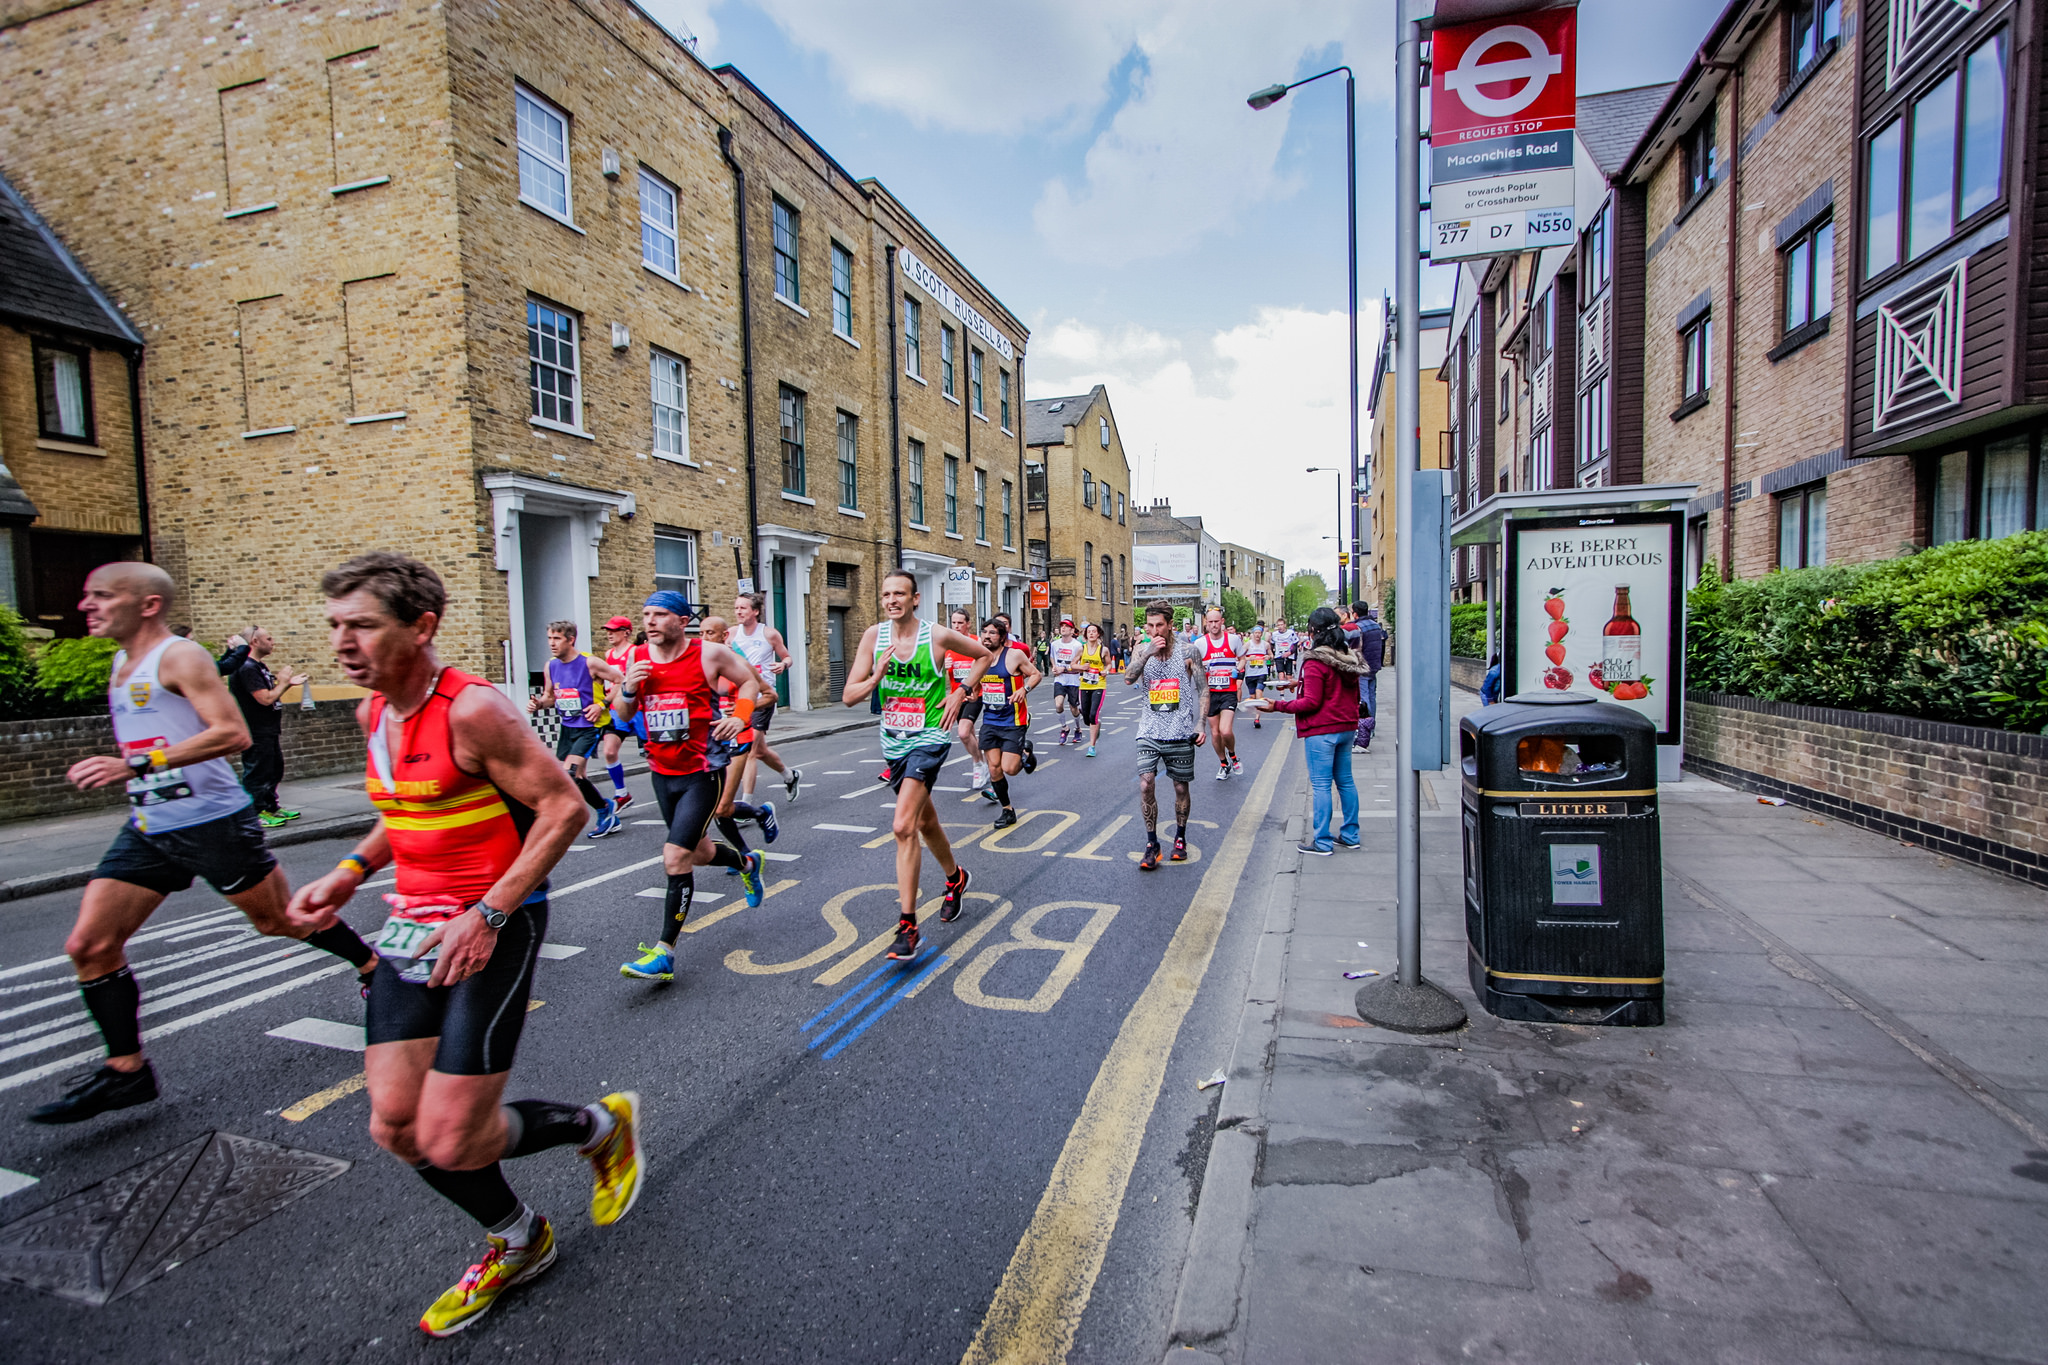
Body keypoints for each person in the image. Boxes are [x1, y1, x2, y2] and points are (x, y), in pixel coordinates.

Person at [284, 552, 641, 1337]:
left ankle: (598, 1128)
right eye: (335, 625)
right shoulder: (371, 712)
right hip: (411, 927)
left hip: (494, 924)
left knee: (453, 1135)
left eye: (362, 625)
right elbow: (409, 807)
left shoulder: (472, 709)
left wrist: (485, 912)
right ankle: (519, 1237)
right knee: (397, 1127)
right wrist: (349, 871)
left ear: (422, 626)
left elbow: (561, 809)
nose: (342, 641)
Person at [28, 564, 379, 1125]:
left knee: (277, 921)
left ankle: (370, 967)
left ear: (146, 604)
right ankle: (127, 1070)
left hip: (212, 822)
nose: (85, 606)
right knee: (90, 947)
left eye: (101, 596)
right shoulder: (123, 660)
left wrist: (135, 764)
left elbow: (232, 734)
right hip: (150, 825)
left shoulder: (179, 657)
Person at [609, 593, 765, 982]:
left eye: (660, 614)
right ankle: (747, 862)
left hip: (703, 770)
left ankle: (664, 953)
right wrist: (627, 691)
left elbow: (751, 683)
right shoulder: (637, 657)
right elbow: (624, 716)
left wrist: (740, 717)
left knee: (675, 857)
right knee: (699, 851)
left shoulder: (709, 654)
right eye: (645, 614)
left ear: (682, 619)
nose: (650, 621)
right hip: (661, 772)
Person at [842, 571, 988, 962]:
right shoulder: (874, 638)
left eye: (900, 594)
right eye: (886, 593)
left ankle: (908, 925)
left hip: (930, 737)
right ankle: (956, 878)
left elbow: (984, 656)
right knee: (925, 823)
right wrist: (875, 678)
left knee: (902, 825)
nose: (892, 600)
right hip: (894, 741)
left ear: (915, 599)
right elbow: (848, 697)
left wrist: (960, 691)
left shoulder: (937, 636)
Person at [1259, 606, 1362, 855]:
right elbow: (1341, 689)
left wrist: (1277, 706)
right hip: (1346, 726)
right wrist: (1301, 682)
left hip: (1322, 730)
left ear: (1313, 630)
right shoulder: (1347, 655)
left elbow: (1311, 702)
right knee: (1346, 782)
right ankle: (1351, 835)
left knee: (1322, 785)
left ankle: (1323, 842)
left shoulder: (1315, 660)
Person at [1126, 599, 1207, 870]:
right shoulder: (1142, 648)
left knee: (1180, 787)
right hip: (1149, 729)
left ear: (1170, 625)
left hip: (1181, 730)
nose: (1154, 631)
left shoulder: (1189, 650)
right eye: (1150, 626)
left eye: (1159, 625)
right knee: (1146, 784)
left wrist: (1201, 725)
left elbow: (1203, 689)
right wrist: (1147, 652)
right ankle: (1152, 843)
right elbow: (1128, 677)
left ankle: (1180, 838)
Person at [527, 621, 624, 840]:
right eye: (550, 638)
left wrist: (602, 705)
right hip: (568, 727)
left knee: (568, 773)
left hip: (590, 726)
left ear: (571, 640)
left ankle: (564, 819)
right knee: (578, 776)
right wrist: (539, 704)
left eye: (557, 639)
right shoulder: (550, 665)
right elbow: (550, 696)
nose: (552, 643)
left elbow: (620, 680)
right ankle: (605, 809)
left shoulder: (590, 663)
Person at [699, 616, 778, 863]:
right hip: (709, 741)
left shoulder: (739, 663)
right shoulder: (700, 664)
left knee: (722, 807)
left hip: (737, 739)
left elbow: (770, 695)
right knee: (716, 808)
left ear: (724, 636)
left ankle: (745, 850)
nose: (704, 639)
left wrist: (743, 708)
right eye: (701, 633)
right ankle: (758, 820)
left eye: (710, 633)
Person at [228, 625, 309, 827]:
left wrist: (287, 683)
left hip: (268, 728)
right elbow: (265, 699)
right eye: (269, 638)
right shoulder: (246, 667)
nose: (273, 642)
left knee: (273, 769)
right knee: (257, 772)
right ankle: (255, 812)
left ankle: (271, 806)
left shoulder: (258, 666)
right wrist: (283, 681)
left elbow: (270, 695)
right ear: (255, 642)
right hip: (254, 729)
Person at [729, 593, 802, 805]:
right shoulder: (732, 634)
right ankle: (790, 776)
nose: (738, 612)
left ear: (755, 611)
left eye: (743, 608)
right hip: (740, 697)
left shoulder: (769, 634)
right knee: (760, 750)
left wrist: (783, 665)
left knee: (750, 751)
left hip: (763, 698)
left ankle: (745, 804)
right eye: (736, 608)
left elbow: (787, 657)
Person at [975, 617, 1041, 829]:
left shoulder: (1014, 656)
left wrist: (1024, 689)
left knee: (1010, 769)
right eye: (984, 631)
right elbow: (976, 686)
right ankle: (1007, 810)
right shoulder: (978, 658)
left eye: (992, 632)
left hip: (1013, 720)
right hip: (990, 721)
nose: (987, 636)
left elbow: (1035, 674)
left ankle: (1025, 752)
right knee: (994, 768)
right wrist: (971, 694)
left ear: (1002, 637)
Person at [596, 615, 638, 812]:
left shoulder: (635, 652)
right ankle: (622, 794)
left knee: (656, 752)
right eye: (607, 630)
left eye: (614, 630)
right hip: (615, 708)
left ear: (626, 632)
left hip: (638, 709)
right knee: (609, 751)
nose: (609, 634)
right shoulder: (608, 655)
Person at [1197, 606, 1245, 779]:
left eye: (1216, 621)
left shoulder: (1233, 640)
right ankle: (1224, 763)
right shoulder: (1200, 643)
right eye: (1210, 622)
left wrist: (1237, 670)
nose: (1214, 625)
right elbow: (1195, 667)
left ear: (1222, 622)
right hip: (1210, 694)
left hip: (1228, 691)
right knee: (1215, 732)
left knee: (1225, 730)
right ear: (1206, 623)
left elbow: (1242, 659)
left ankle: (1233, 755)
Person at [945, 606, 989, 791]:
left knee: (963, 732)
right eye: (953, 622)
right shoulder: (946, 645)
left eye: (959, 623)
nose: (956, 626)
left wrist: (977, 688)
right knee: (968, 734)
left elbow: (987, 666)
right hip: (956, 696)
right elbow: (936, 673)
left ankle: (978, 765)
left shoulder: (976, 643)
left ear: (968, 624)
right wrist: (942, 666)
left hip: (973, 695)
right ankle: (982, 763)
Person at [1075, 622, 1110, 756]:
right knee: (1087, 718)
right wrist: (1081, 667)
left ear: (1098, 634)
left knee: (1093, 714)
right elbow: (1073, 664)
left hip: (1099, 684)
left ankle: (1091, 747)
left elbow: (1108, 664)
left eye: (1093, 631)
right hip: (1085, 685)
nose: (1091, 633)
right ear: (1085, 635)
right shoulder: (1081, 649)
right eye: (1089, 631)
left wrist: (1106, 671)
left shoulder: (1103, 650)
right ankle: (1097, 724)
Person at [1048, 616, 1083, 745]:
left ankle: (1078, 728)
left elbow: (1079, 667)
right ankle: (1064, 728)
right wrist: (1055, 668)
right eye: (1062, 626)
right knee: (1058, 704)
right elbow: (1053, 658)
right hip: (1060, 680)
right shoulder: (1055, 644)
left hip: (1073, 680)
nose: (1063, 628)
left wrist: (1065, 669)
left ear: (1072, 630)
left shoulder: (1077, 646)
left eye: (1066, 626)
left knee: (1074, 708)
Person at [1353, 603, 1387, 720]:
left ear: (1355, 614)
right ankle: (1371, 725)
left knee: (1364, 696)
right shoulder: (1376, 625)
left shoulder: (1358, 627)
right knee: (1372, 696)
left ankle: (1366, 724)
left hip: (1363, 666)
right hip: (1374, 665)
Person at [1242, 621, 1270, 729]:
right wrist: (1249, 658)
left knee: (1259, 693)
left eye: (1259, 633)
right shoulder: (1248, 644)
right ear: (1253, 634)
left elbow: (1271, 654)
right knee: (1252, 697)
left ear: (1262, 634)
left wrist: (1268, 657)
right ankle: (1255, 713)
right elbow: (1240, 657)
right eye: (1256, 633)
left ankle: (1257, 718)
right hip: (1250, 674)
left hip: (1262, 672)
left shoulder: (1266, 644)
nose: (1257, 635)